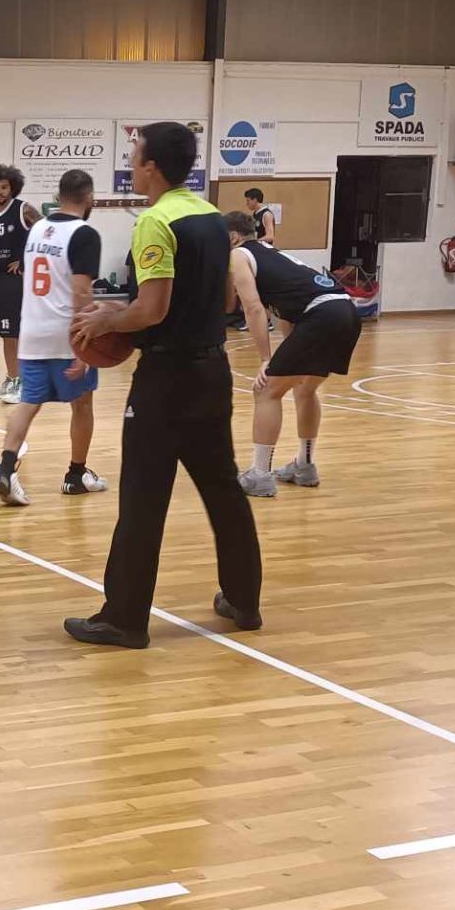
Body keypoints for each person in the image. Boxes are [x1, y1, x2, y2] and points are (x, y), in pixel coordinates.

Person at [66, 122, 262, 649]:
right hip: (212, 371)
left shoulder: (155, 221)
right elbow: (225, 301)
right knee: (223, 490)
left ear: (151, 166)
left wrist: (107, 320)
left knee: (143, 498)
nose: (130, 164)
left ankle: (124, 619)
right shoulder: (212, 218)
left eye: (134, 156)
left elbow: (152, 309)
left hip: (166, 379)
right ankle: (244, 601)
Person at [0, 169, 109, 505]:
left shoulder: (37, 229)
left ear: (59, 195)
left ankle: (5, 468)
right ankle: (76, 475)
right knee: (82, 404)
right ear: (89, 197)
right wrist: (83, 348)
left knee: (29, 402)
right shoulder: (85, 234)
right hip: (64, 334)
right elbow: (81, 293)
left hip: (32, 331)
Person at [225, 211, 361, 496]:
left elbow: (253, 309)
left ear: (234, 237)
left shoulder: (237, 256)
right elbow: (285, 313)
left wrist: (266, 360)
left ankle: (260, 475)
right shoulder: (270, 253)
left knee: (265, 391)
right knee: (304, 388)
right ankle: (304, 465)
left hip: (322, 315)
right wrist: (286, 358)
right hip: (345, 311)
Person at [0, 163, 41, 403]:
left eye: (4, 187)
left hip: (18, 280)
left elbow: (46, 231)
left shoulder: (23, 209)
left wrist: (25, 259)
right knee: (6, 333)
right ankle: (12, 378)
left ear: (12, 188)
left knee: (17, 332)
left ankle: (23, 383)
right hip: (0, 277)